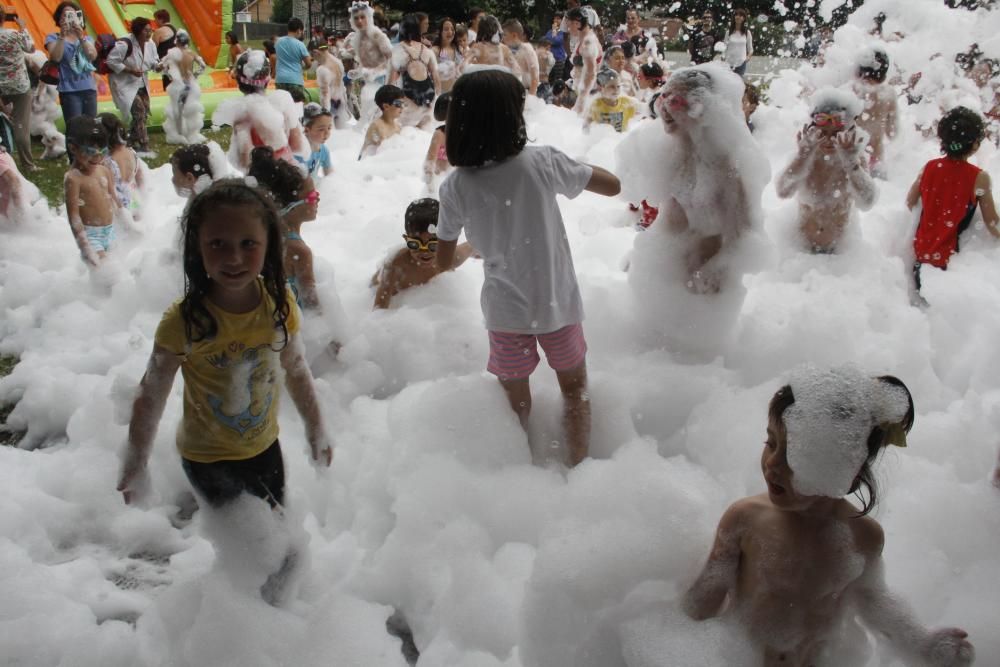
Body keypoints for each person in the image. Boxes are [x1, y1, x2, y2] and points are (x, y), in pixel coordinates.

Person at [116, 179, 333, 606]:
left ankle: (269, 620)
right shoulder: (186, 320)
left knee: (283, 546)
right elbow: (151, 393)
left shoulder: (278, 305)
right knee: (259, 552)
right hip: (208, 458)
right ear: (197, 248)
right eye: (218, 244)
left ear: (269, 244)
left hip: (264, 450)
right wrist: (136, 462)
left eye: (247, 243)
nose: (233, 257)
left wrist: (317, 429)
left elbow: (296, 369)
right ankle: (244, 624)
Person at [684, 365, 975, 667]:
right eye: (770, 443)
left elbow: (873, 601)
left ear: (846, 470)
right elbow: (704, 599)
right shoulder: (745, 519)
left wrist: (922, 643)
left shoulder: (863, 536)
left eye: (794, 454)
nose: (772, 463)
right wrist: (675, 642)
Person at [436, 70, 621, 467]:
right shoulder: (543, 161)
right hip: (558, 305)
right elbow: (613, 185)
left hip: (505, 315)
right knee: (575, 391)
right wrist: (570, 165)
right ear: (514, 118)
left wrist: (472, 247)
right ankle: (579, 470)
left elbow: (442, 261)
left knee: (514, 404)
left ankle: (520, 473)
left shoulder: (455, 187)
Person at [906, 106, 1000, 296]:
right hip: (950, 265)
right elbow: (992, 223)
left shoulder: (929, 168)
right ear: (974, 144)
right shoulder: (979, 177)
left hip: (920, 258)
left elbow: (910, 202)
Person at [775, 90, 877, 253]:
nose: (829, 139)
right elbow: (782, 191)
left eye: (836, 134)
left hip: (839, 252)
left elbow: (867, 201)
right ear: (813, 130)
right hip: (802, 249)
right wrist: (802, 156)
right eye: (823, 133)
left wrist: (851, 164)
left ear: (849, 131)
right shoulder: (807, 157)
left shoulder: (854, 160)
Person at [247, 147, 322, 310]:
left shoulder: (263, 238)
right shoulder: (298, 251)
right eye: (312, 196)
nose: (318, 198)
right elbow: (313, 307)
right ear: (289, 206)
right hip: (293, 326)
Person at [212, 49, 306, 173]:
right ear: (268, 80)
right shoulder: (282, 100)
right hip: (289, 170)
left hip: (262, 176)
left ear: (239, 82)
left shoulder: (242, 113)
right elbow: (297, 146)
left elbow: (245, 161)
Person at [372, 198, 474, 309]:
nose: (424, 251)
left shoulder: (448, 258)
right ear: (407, 238)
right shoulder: (396, 265)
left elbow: (472, 245)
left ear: (445, 241)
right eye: (415, 244)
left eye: (433, 245)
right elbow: (379, 310)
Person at [63, 116, 124, 266]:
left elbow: (115, 201)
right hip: (91, 236)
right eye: (90, 151)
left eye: (103, 151)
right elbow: (74, 217)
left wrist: (127, 222)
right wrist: (84, 246)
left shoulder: (104, 171)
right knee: (104, 273)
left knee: (116, 269)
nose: (97, 157)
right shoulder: (74, 179)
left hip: (111, 231)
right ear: (73, 148)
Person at [105, 17, 160, 155]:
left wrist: (158, 66)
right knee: (139, 110)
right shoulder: (125, 44)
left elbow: (153, 60)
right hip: (124, 84)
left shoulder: (150, 44)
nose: (149, 33)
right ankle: (143, 144)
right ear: (138, 31)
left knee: (144, 112)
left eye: (151, 30)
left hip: (141, 82)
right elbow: (110, 61)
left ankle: (129, 140)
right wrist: (129, 70)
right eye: (146, 30)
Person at [45, 2, 98, 126]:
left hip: (89, 88)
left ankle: (90, 146)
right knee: (75, 128)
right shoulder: (53, 38)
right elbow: (56, 58)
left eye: (72, 15)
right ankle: (74, 146)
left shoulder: (87, 39)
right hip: (69, 90)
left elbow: (92, 56)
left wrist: (81, 37)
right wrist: (62, 36)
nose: (68, 18)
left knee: (91, 127)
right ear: (59, 18)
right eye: (65, 15)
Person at [345, 1, 393, 126]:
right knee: (367, 118)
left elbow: (393, 59)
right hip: (368, 84)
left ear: (369, 17)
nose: (359, 21)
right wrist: (358, 72)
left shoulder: (376, 34)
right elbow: (366, 64)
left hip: (383, 82)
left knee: (375, 118)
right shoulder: (357, 38)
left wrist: (375, 72)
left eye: (362, 17)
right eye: (356, 18)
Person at [0, 11, 37, 172]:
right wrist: (23, 28)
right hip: (20, 86)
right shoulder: (14, 34)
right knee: (21, 126)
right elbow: (31, 48)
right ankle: (28, 165)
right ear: (3, 18)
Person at [852, 46, 897, 178]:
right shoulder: (888, 94)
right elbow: (892, 132)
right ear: (883, 76)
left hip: (851, 155)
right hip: (875, 158)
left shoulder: (851, 92)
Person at [391, 14, 440, 124]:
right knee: (423, 136)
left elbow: (391, 81)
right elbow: (436, 80)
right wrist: (436, 99)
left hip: (408, 96)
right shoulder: (428, 51)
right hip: (428, 96)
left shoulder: (398, 49)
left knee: (405, 133)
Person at [161, 31, 207, 145]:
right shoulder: (191, 53)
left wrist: (169, 75)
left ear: (177, 41)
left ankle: (180, 134)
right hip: (190, 85)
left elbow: (162, 66)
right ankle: (192, 134)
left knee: (178, 111)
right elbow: (203, 66)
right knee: (190, 111)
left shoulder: (172, 53)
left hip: (178, 85)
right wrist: (195, 75)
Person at [99, 112, 144, 224]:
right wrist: (143, 196)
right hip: (134, 199)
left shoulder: (108, 162)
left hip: (119, 204)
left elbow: (109, 190)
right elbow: (140, 178)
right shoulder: (131, 152)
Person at [566, 7, 601, 114]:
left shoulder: (588, 42)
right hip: (584, 91)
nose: (568, 28)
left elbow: (591, 73)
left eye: (569, 24)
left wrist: (582, 99)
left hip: (589, 95)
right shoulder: (584, 40)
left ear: (577, 23)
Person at [309, 40, 349, 129]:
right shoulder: (338, 62)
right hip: (342, 103)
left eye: (312, 55)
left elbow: (325, 95)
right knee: (343, 135)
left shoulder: (322, 70)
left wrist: (325, 114)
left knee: (330, 138)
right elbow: (342, 86)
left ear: (316, 52)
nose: (313, 59)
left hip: (331, 106)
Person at [359, 84, 403, 158]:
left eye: (403, 103)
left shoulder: (398, 126)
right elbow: (366, 156)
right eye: (398, 104)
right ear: (386, 106)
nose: (402, 107)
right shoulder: (376, 126)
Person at [275, 18, 312, 104]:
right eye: (302, 31)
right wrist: (303, 67)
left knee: (282, 106)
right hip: (295, 80)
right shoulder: (300, 44)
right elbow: (309, 63)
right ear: (299, 30)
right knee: (298, 107)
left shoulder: (278, 42)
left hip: (280, 79)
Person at [296, 102, 333, 179]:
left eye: (329, 128)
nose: (327, 133)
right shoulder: (299, 154)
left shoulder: (323, 150)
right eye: (321, 129)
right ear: (306, 130)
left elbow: (330, 175)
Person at [503, 20, 540, 97]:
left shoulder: (527, 49)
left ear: (514, 35)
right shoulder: (505, 49)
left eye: (505, 35)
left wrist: (530, 98)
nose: (502, 38)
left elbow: (535, 77)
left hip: (525, 92)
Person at [423, 93, 450, 185]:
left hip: (456, 179)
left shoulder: (467, 133)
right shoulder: (440, 134)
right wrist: (429, 183)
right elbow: (430, 159)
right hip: (440, 179)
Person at [431, 17, 462, 93]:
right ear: (440, 32)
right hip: (440, 93)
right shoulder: (435, 50)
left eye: (452, 29)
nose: (450, 32)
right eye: (446, 29)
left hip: (457, 92)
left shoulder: (458, 49)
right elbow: (431, 74)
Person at [151, 8, 177, 91]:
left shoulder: (159, 31)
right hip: (175, 61)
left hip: (166, 63)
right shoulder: (175, 29)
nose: (155, 22)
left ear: (160, 19)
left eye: (155, 20)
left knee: (169, 88)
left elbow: (152, 48)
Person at [723, 8, 753, 77]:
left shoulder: (747, 33)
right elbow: (724, 48)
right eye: (736, 15)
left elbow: (750, 49)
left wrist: (746, 59)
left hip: (741, 64)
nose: (738, 17)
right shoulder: (729, 32)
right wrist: (723, 59)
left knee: (739, 85)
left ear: (744, 18)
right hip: (728, 64)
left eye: (740, 15)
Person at [543, 13, 568, 82]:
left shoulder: (563, 32)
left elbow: (555, 41)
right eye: (555, 18)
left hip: (559, 60)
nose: (555, 20)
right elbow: (545, 41)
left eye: (558, 18)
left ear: (562, 20)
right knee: (549, 80)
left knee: (557, 81)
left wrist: (554, 31)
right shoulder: (549, 31)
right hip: (548, 60)